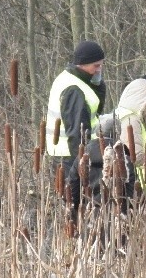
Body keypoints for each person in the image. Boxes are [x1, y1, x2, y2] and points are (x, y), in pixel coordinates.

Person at [45, 40, 107, 178]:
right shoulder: (74, 89)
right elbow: (77, 133)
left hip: (66, 156)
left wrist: (98, 86)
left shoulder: (70, 79)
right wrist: (83, 168)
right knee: (79, 198)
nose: (99, 69)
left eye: (101, 65)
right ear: (82, 65)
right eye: (96, 66)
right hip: (70, 159)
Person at [66, 114, 135, 212]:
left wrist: (76, 210)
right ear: (118, 133)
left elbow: (73, 183)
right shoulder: (123, 157)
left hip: (88, 213)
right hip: (115, 216)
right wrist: (124, 214)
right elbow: (130, 192)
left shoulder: (83, 154)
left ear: (97, 131)